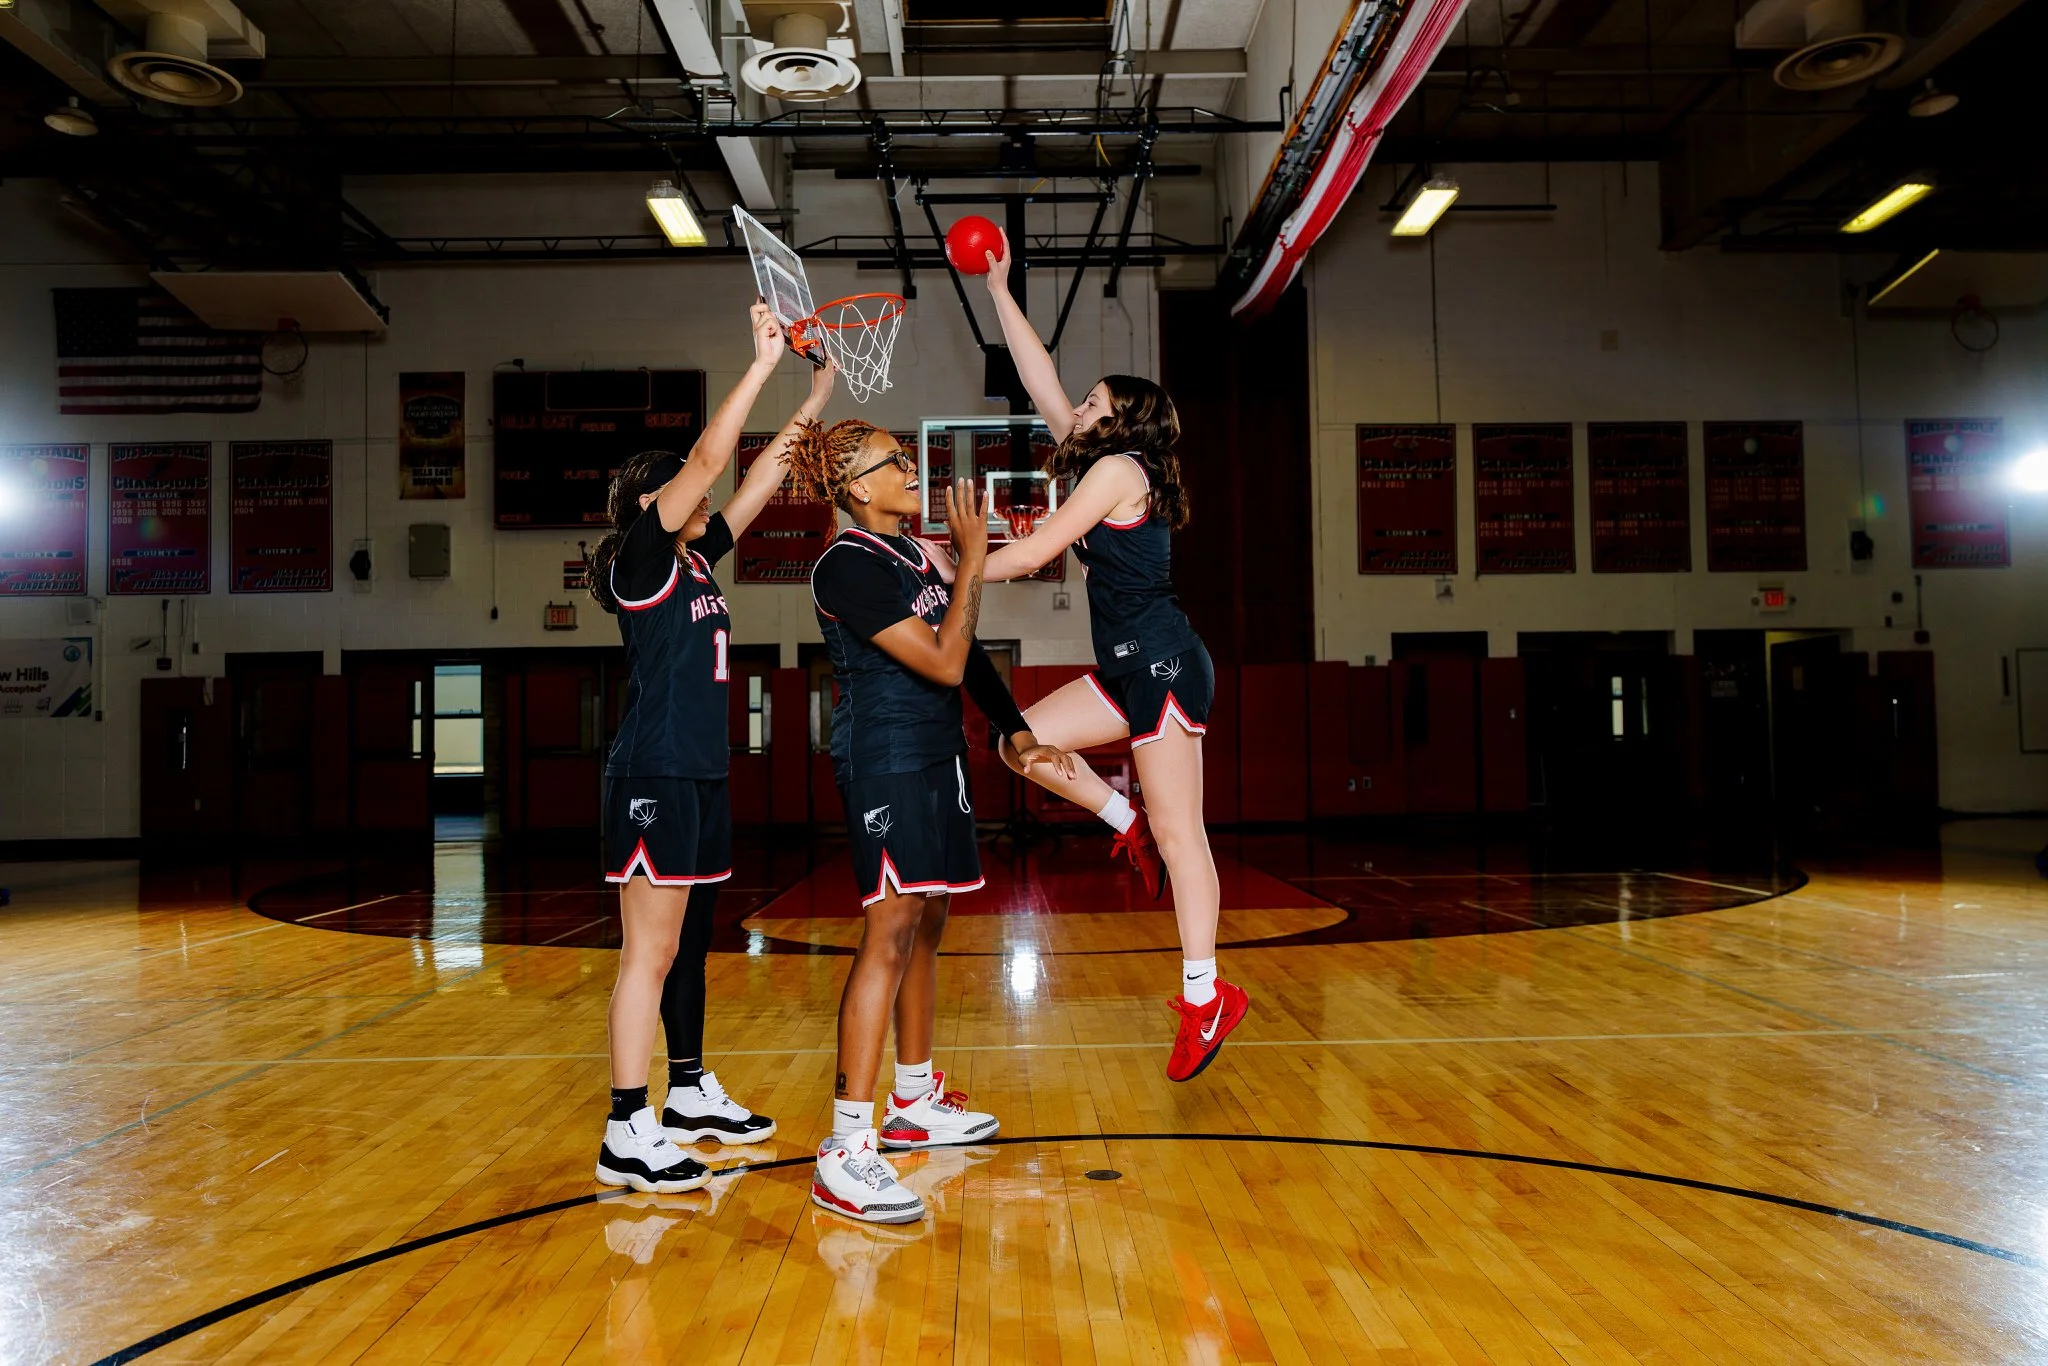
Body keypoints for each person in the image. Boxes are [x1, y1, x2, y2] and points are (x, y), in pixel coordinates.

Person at [974, 230, 1249, 1083]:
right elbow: (1036, 379)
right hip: (1128, 666)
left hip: (1164, 665)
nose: (1079, 406)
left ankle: (1206, 1000)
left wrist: (951, 560)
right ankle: (1119, 821)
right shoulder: (1099, 459)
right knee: (1016, 744)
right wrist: (996, 286)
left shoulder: (1120, 470)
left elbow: (1029, 556)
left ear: (1121, 420)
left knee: (1184, 831)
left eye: (1094, 401)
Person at [786, 420, 1073, 1224]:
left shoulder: (913, 556)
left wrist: (1011, 724)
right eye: (894, 464)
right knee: (889, 931)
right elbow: (942, 659)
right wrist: (976, 558)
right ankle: (845, 1149)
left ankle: (912, 1100)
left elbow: (966, 651)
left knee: (930, 923)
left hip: (937, 755)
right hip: (884, 759)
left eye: (908, 460)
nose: (911, 471)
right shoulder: (844, 565)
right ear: (856, 488)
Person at [584, 304, 828, 1192]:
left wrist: (816, 391)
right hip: (652, 771)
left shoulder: (694, 560)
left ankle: (685, 1094)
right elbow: (712, 461)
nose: (699, 499)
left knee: (687, 948)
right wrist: (760, 365)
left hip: (700, 774)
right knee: (647, 954)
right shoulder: (640, 561)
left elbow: (754, 483)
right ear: (652, 504)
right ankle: (625, 1129)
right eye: (677, 489)